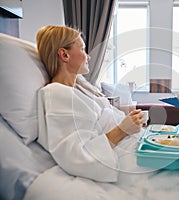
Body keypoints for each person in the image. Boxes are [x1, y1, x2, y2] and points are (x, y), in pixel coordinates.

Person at [35, 25, 146, 182]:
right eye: (83, 49)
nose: (88, 56)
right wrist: (122, 130)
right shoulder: (57, 93)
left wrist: (132, 123)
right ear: (64, 55)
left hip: (133, 145)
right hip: (122, 158)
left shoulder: (81, 87)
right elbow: (77, 156)